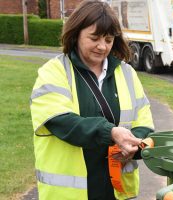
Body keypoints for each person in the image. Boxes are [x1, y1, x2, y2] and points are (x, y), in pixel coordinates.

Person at [30, 1, 154, 199]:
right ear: (76, 33)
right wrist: (111, 133)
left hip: (117, 190)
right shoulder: (53, 72)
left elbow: (145, 124)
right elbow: (62, 122)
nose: (102, 46)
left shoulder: (128, 73)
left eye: (109, 39)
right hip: (68, 194)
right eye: (94, 38)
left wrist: (133, 146)